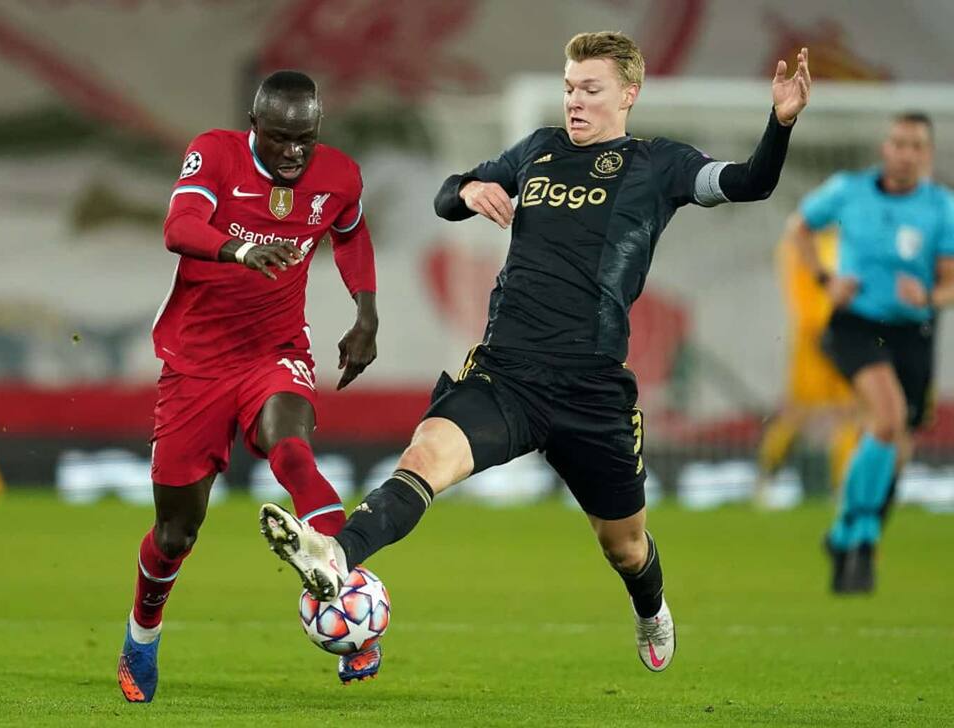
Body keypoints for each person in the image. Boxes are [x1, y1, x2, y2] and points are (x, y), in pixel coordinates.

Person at [260, 31, 810, 673]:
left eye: (591, 90)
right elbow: (448, 192)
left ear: (629, 94)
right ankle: (337, 555)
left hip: (593, 390)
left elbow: (750, 183)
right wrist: (467, 192)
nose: (575, 101)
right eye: (570, 87)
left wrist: (780, 122)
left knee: (624, 547)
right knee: (424, 457)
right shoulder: (539, 150)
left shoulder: (661, 165)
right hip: (506, 374)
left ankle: (651, 606)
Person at [118, 70, 380, 702]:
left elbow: (350, 233)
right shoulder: (215, 151)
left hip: (277, 349)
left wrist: (366, 315)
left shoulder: (339, 175)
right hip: (196, 363)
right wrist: (237, 251)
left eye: (305, 138)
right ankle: (142, 634)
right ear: (254, 126)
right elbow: (178, 228)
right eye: (281, 137)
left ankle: (351, 608)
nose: (293, 152)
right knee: (176, 533)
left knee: (289, 447)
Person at [791, 111, 954, 593]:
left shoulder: (940, 207)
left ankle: (845, 534)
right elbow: (798, 228)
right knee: (887, 417)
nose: (905, 153)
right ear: (885, 147)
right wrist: (825, 279)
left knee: (896, 446)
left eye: (916, 146)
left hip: (913, 333)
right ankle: (860, 534)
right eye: (898, 142)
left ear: (928, 155)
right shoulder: (848, 190)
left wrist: (929, 297)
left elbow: (949, 282)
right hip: (855, 325)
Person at [754, 228, 860, 506]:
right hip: (816, 337)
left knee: (847, 410)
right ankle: (767, 476)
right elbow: (804, 292)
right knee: (803, 411)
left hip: (838, 333)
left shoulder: (836, 242)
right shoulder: (804, 244)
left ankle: (844, 488)